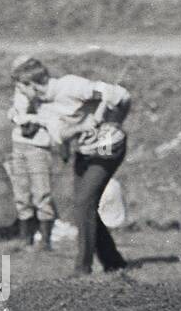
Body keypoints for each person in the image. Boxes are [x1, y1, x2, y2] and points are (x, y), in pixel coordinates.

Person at [10, 57, 131, 275]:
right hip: (84, 152)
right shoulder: (43, 107)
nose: (20, 94)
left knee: (84, 202)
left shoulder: (71, 86)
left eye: (21, 89)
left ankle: (82, 269)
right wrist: (80, 127)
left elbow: (120, 95)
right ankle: (114, 262)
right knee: (85, 206)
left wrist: (113, 121)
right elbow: (60, 135)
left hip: (107, 148)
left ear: (32, 85)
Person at [6, 60, 60, 249]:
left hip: (38, 146)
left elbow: (53, 119)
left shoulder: (48, 95)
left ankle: (45, 240)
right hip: (19, 143)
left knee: (41, 192)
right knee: (21, 193)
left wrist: (31, 118)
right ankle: (25, 238)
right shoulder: (21, 91)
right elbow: (15, 111)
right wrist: (14, 114)